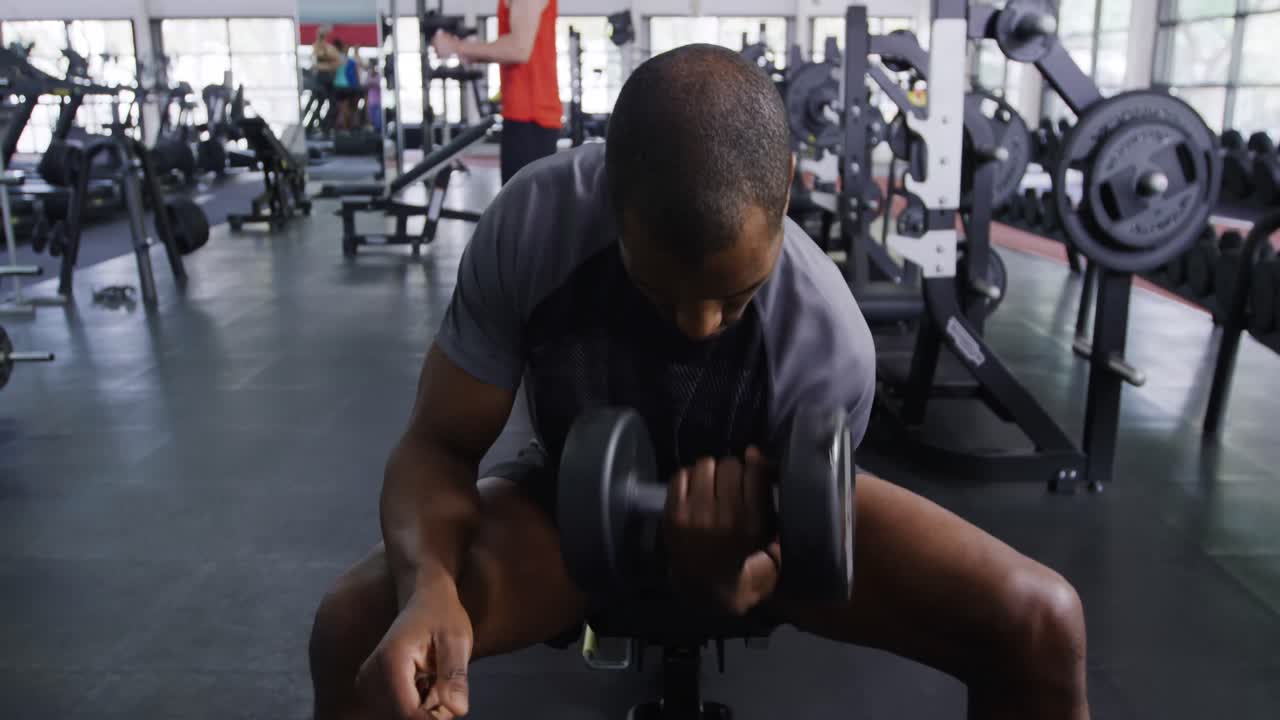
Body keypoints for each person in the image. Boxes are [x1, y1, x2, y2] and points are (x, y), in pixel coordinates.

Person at [308, 45, 1090, 720]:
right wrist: (428, 586)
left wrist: (739, 576)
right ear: (609, 193)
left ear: (785, 186)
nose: (700, 327)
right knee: (357, 629)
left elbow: (799, 544)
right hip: (566, 518)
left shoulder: (831, 345)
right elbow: (439, 445)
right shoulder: (532, 226)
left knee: (1041, 620)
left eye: (735, 296)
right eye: (663, 294)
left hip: (769, 524)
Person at [431, 0, 560, 184]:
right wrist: (469, 52)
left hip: (531, 117)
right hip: (525, 115)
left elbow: (518, 50)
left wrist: (455, 46)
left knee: (521, 209)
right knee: (520, 207)